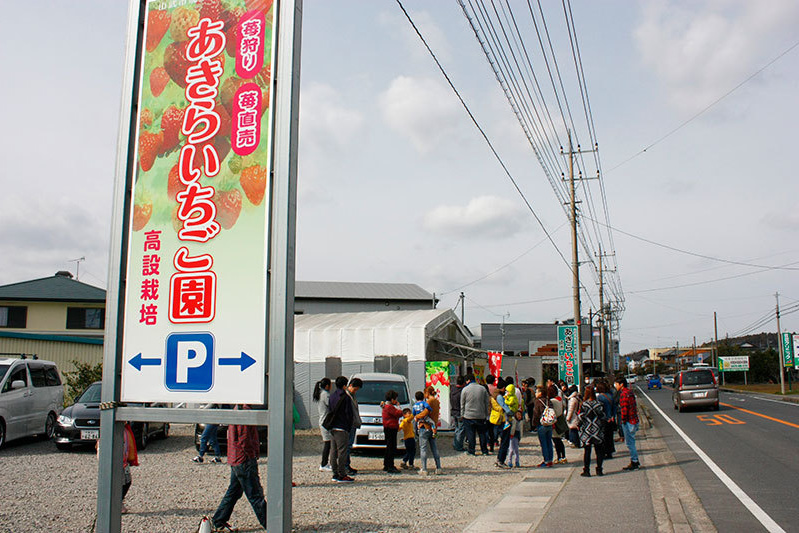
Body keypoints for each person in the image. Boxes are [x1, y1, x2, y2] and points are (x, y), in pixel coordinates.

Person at [212, 405, 267, 530]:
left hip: (235, 458)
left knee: (234, 492)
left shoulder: (237, 410)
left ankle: (218, 520)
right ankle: (272, 524)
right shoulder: (244, 412)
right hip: (244, 459)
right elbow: (244, 439)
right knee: (255, 494)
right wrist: (251, 454)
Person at [327, 376, 355, 483]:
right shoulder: (345, 397)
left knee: (333, 451)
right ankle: (342, 474)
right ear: (344, 385)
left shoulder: (332, 396)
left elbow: (329, 409)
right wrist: (349, 426)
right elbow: (349, 414)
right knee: (342, 451)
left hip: (332, 426)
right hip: (342, 427)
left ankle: (335, 473)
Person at [578, 386, 605, 477]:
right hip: (597, 430)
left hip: (587, 430)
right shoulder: (599, 404)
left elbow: (580, 417)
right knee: (599, 451)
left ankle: (586, 470)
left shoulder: (584, 405)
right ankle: (599, 469)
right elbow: (603, 416)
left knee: (587, 451)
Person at [461, 373, 490, 456]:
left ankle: (471, 450)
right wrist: (486, 414)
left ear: (468, 380)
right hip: (481, 415)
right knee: (482, 434)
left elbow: (462, 404)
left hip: (468, 415)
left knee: (471, 434)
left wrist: (462, 414)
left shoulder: (465, 390)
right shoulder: (482, 389)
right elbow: (486, 402)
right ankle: (484, 450)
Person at [413, 391, 442, 475]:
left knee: (423, 449)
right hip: (431, 427)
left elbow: (414, 415)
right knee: (434, 448)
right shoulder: (433, 402)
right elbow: (430, 409)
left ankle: (424, 469)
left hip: (423, 427)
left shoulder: (416, 405)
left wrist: (417, 417)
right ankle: (438, 467)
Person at [615, 376, 640, 470]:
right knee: (631, 442)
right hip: (634, 419)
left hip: (629, 421)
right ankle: (635, 460)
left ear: (621, 385)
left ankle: (634, 462)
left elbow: (624, 410)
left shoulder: (623, 394)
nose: (615, 386)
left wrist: (623, 421)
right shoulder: (629, 392)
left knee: (630, 443)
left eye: (616, 384)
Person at [312, 378, 333, 471]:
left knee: (328, 443)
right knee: (328, 443)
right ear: (327, 386)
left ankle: (325, 463)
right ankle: (324, 463)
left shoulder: (321, 393)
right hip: (326, 422)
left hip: (323, 421)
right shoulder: (325, 394)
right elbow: (331, 405)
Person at [532, 385, 554, 467]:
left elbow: (536, 414)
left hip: (541, 424)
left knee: (543, 443)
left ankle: (546, 460)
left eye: (537, 392)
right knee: (549, 442)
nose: (535, 393)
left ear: (540, 393)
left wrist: (534, 424)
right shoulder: (548, 401)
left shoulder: (538, 401)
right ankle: (550, 460)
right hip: (549, 423)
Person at [381, 389, 402, 473]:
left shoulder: (385, 406)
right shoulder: (390, 407)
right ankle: (390, 465)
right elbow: (399, 413)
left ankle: (386, 464)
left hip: (387, 428)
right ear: (392, 399)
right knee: (391, 447)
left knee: (388, 447)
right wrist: (399, 406)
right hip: (391, 428)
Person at [344, 377, 362, 476]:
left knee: (349, 445)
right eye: (355, 389)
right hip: (349, 424)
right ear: (350, 386)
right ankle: (345, 466)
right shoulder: (346, 396)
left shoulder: (352, 395)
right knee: (347, 445)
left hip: (353, 423)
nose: (355, 391)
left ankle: (348, 464)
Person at [595, 380, 616, 459]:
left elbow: (600, 409)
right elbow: (614, 407)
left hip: (603, 420)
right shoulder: (610, 396)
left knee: (603, 437)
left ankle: (603, 452)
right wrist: (612, 416)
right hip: (611, 418)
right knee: (610, 437)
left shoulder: (600, 397)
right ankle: (610, 452)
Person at [548, 385, 567, 464]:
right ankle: (563, 456)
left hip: (555, 421)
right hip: (560, 419)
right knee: (559, 440)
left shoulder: (552, 401)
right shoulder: (559, 399)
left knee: (556, 441)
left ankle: (559, 457)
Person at [450, 375, 466, 451]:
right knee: (461, 429)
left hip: (454, 411)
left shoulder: (452, 390)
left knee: (457, 429)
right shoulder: (462, 392)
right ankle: (458, 446)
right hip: (460, 412)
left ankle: (455, 443)